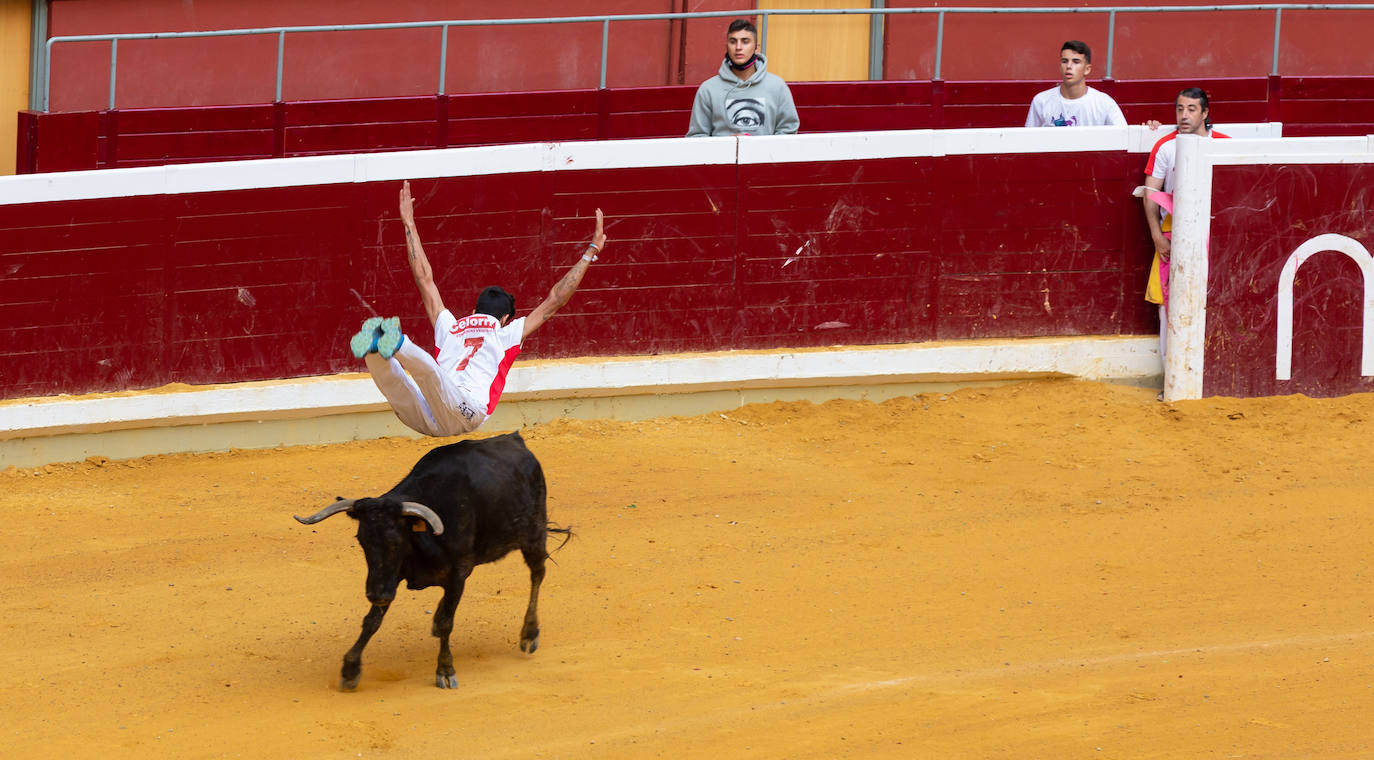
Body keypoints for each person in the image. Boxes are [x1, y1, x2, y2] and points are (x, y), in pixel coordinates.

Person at [350, 180, 607, 437]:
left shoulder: (451, 325)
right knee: (432, 379)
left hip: (428, 412)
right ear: (505, 318)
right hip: (467, 411)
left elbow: (424, 279)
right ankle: (399, 344)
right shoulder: (505, 333)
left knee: (400, 388)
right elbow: (554, 301)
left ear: (474, 311)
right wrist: (591, 252)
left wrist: (409, 222)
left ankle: (376, 351)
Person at [1139, 87, 1229, 366]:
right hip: (1172, 231)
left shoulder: (1223, 144)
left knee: (1215, 298)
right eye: (1180, 109)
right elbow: (1150, 193)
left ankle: (1212, 368)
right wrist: (1156, 236)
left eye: (1191, 109)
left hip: (1214, 233)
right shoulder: (1165, 146)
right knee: (1169, 302)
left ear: (1205, 113)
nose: (1184, 115)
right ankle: (1172, 372)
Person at [687, 18, 799, 137]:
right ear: (727, 46)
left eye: (745, 41)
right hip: (723, 156)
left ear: (756, 47)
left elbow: (788, 131)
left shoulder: (777, 86)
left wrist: (761, 149)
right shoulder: (708, 89)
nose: (738, 47)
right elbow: (696, 137)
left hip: (765, 155)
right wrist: (728, 145)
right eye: (733, 41)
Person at [1025, 41, 1126, 128]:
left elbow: (1123, 137)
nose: (1068, 66)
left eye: (1076, 62)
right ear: (1060, 66)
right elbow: (1028, 141)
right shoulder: (1041, 101)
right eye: (1064, 61)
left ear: (1087, 69)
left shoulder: (1104, 103)